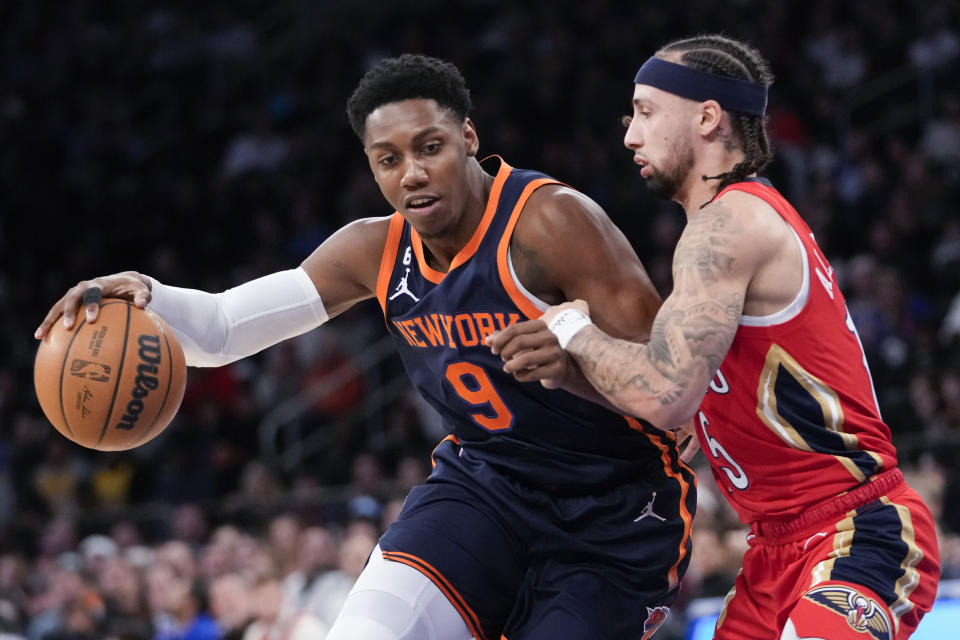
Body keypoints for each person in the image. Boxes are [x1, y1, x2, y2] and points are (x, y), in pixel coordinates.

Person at [35, 54, 695, 640]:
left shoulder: (552, 222)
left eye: (429, 146)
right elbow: (223, 331)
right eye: (389, 159)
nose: (412, 173)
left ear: (468, 137)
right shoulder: (372, 251)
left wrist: (575, 365)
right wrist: (144, 292)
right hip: (486, 485)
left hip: (613, 509)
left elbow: (677, 388)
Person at [488, 34, 941, 640]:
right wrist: (572, 373)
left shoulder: (730, 224)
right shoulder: (714, 235)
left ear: (706, 117)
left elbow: (664, 395)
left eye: (646, 112)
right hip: (774, 551)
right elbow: (682, 422)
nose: (629, 135)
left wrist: (573, 327)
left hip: (858, 529)